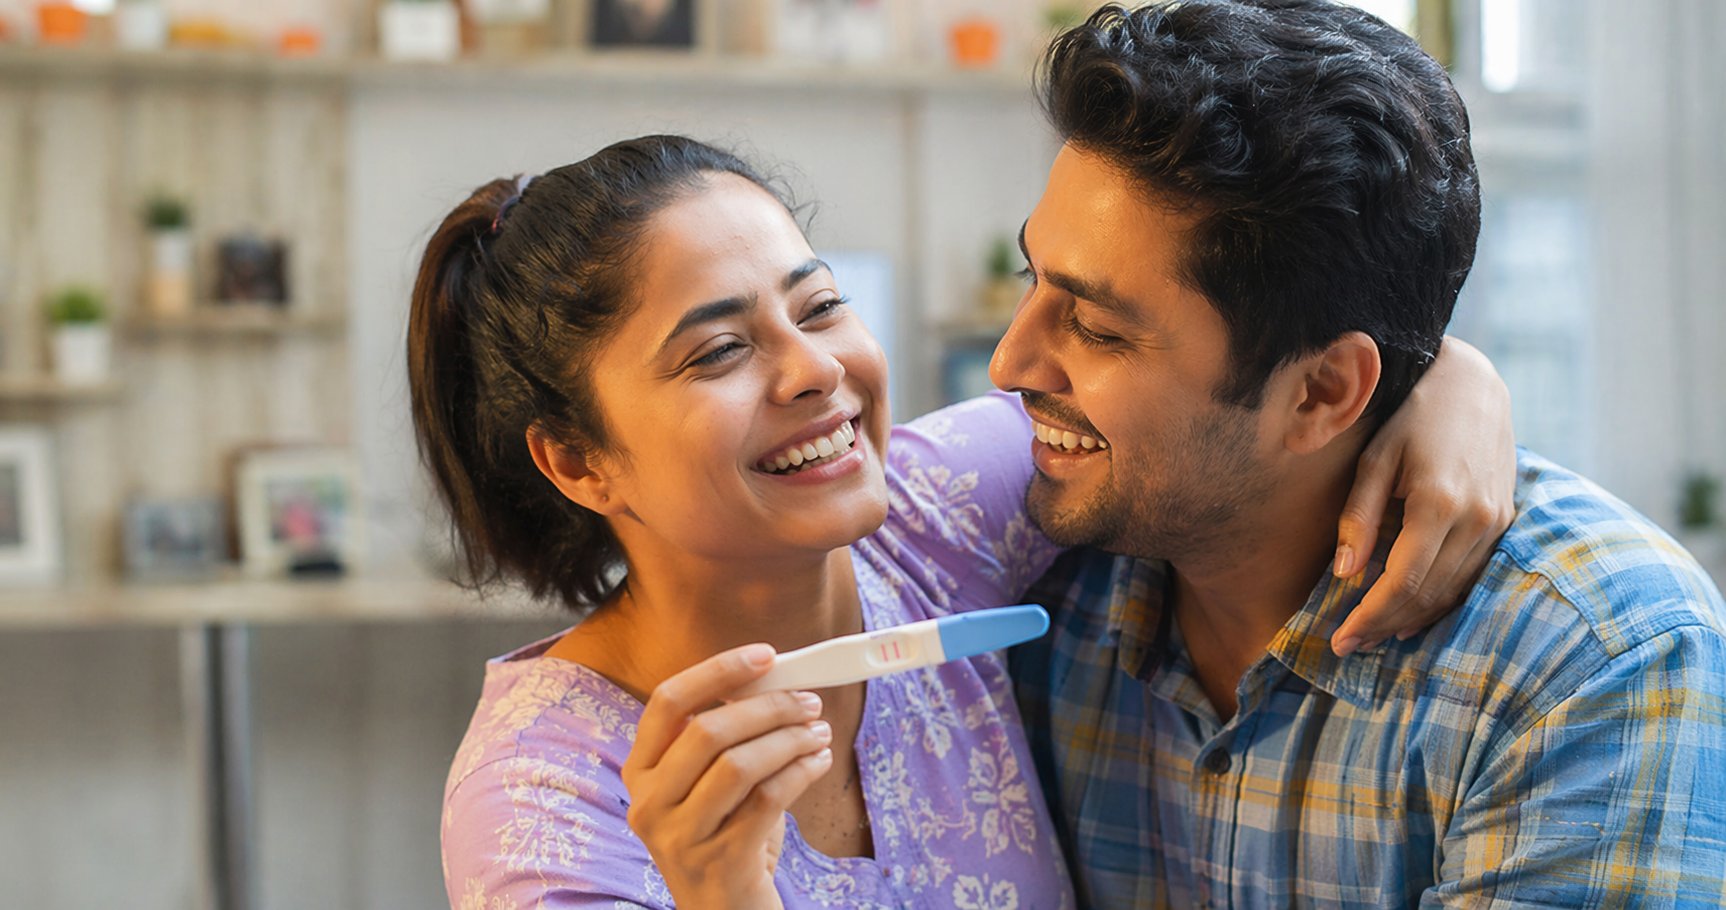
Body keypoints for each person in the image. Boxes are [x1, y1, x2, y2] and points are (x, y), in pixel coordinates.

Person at [410, 136, 1511, 909]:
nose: (813, 372)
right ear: (578, 460)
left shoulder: (936, 516)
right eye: (718, 351)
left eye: (819, 305)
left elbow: (1210, 406)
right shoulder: (544, 805)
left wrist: (1451, 380)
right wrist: (722, 894)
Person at [997, 3, 1726, 907]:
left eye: (1097, 327)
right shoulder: (1027, 574)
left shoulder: (1590, 664)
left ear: (1321, 393)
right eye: (1032, 279)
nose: (1008, 363)